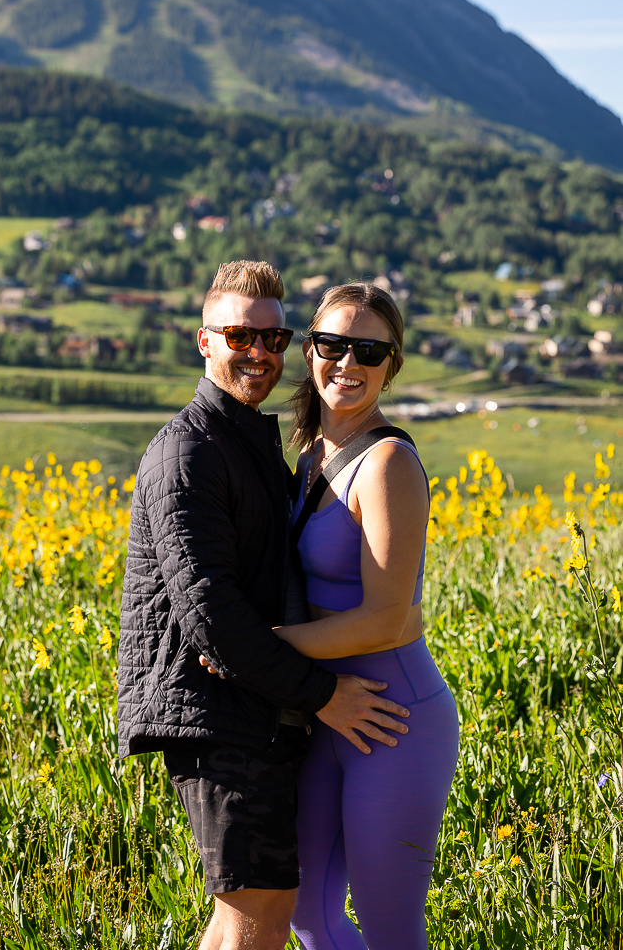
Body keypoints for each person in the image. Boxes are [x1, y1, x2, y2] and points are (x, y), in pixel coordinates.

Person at [117, 261, 411, 950]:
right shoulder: (188, 451)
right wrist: (321, 695)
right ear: (204, 341)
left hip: (247, 711)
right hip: (217, 717)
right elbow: (211, 615)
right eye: (239, 336)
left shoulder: (246, 442)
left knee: (244, 913)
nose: (258, 352)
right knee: (264, 908)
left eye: (273, 340)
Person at [279, 282, 460, 950]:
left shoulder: (386, 463)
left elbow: (389, 620)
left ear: (391, 365)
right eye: (331, 344)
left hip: (395, 722)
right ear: (309, 351)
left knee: (389, 929)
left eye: (368, 350)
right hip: (330, 711)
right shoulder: (309, 458)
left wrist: (268, 649)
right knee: (304, 911)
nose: (346, 364)